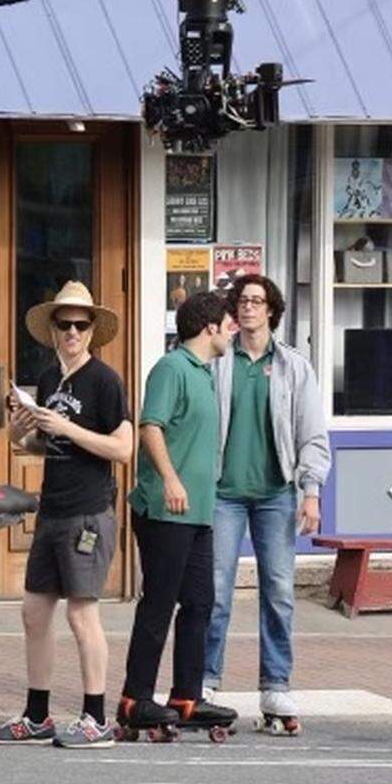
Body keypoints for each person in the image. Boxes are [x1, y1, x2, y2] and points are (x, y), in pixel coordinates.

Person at [0, 281, 132, 749]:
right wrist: (22, 429)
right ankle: (37, 714)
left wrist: (65, 425)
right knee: (33, 612)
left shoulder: (105, 381)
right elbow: (35, 446)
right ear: (52, 328)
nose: (71, 331)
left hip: (88, 512)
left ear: (92, 331)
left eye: (80, 324)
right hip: (52, 509)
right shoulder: (49, 380)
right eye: (64, 323)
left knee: (82, 614)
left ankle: (95, 717)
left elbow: (123, 449)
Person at [204, 274, 331, 734]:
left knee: (277, 592)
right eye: (242, 301)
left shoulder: (294, 367)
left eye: (258, 301)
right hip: (223, 495)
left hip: (276, 495)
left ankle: (276, 685)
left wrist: (311, 491)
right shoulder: (218, 361)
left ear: (273, 310)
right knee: (215, 592)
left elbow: (312, 435)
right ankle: (205, 682)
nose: (249, 308)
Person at [116, 290, 238, 738]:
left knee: (201, 603)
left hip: (199, 512)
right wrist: (170, 479)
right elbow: (151, 426)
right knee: (159, 605)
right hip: (165, 510)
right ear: (209, 327)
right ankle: (135, 699)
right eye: (228, 323)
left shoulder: (205, 373)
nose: (234, 329)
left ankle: (187, 696)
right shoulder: (172, 369)